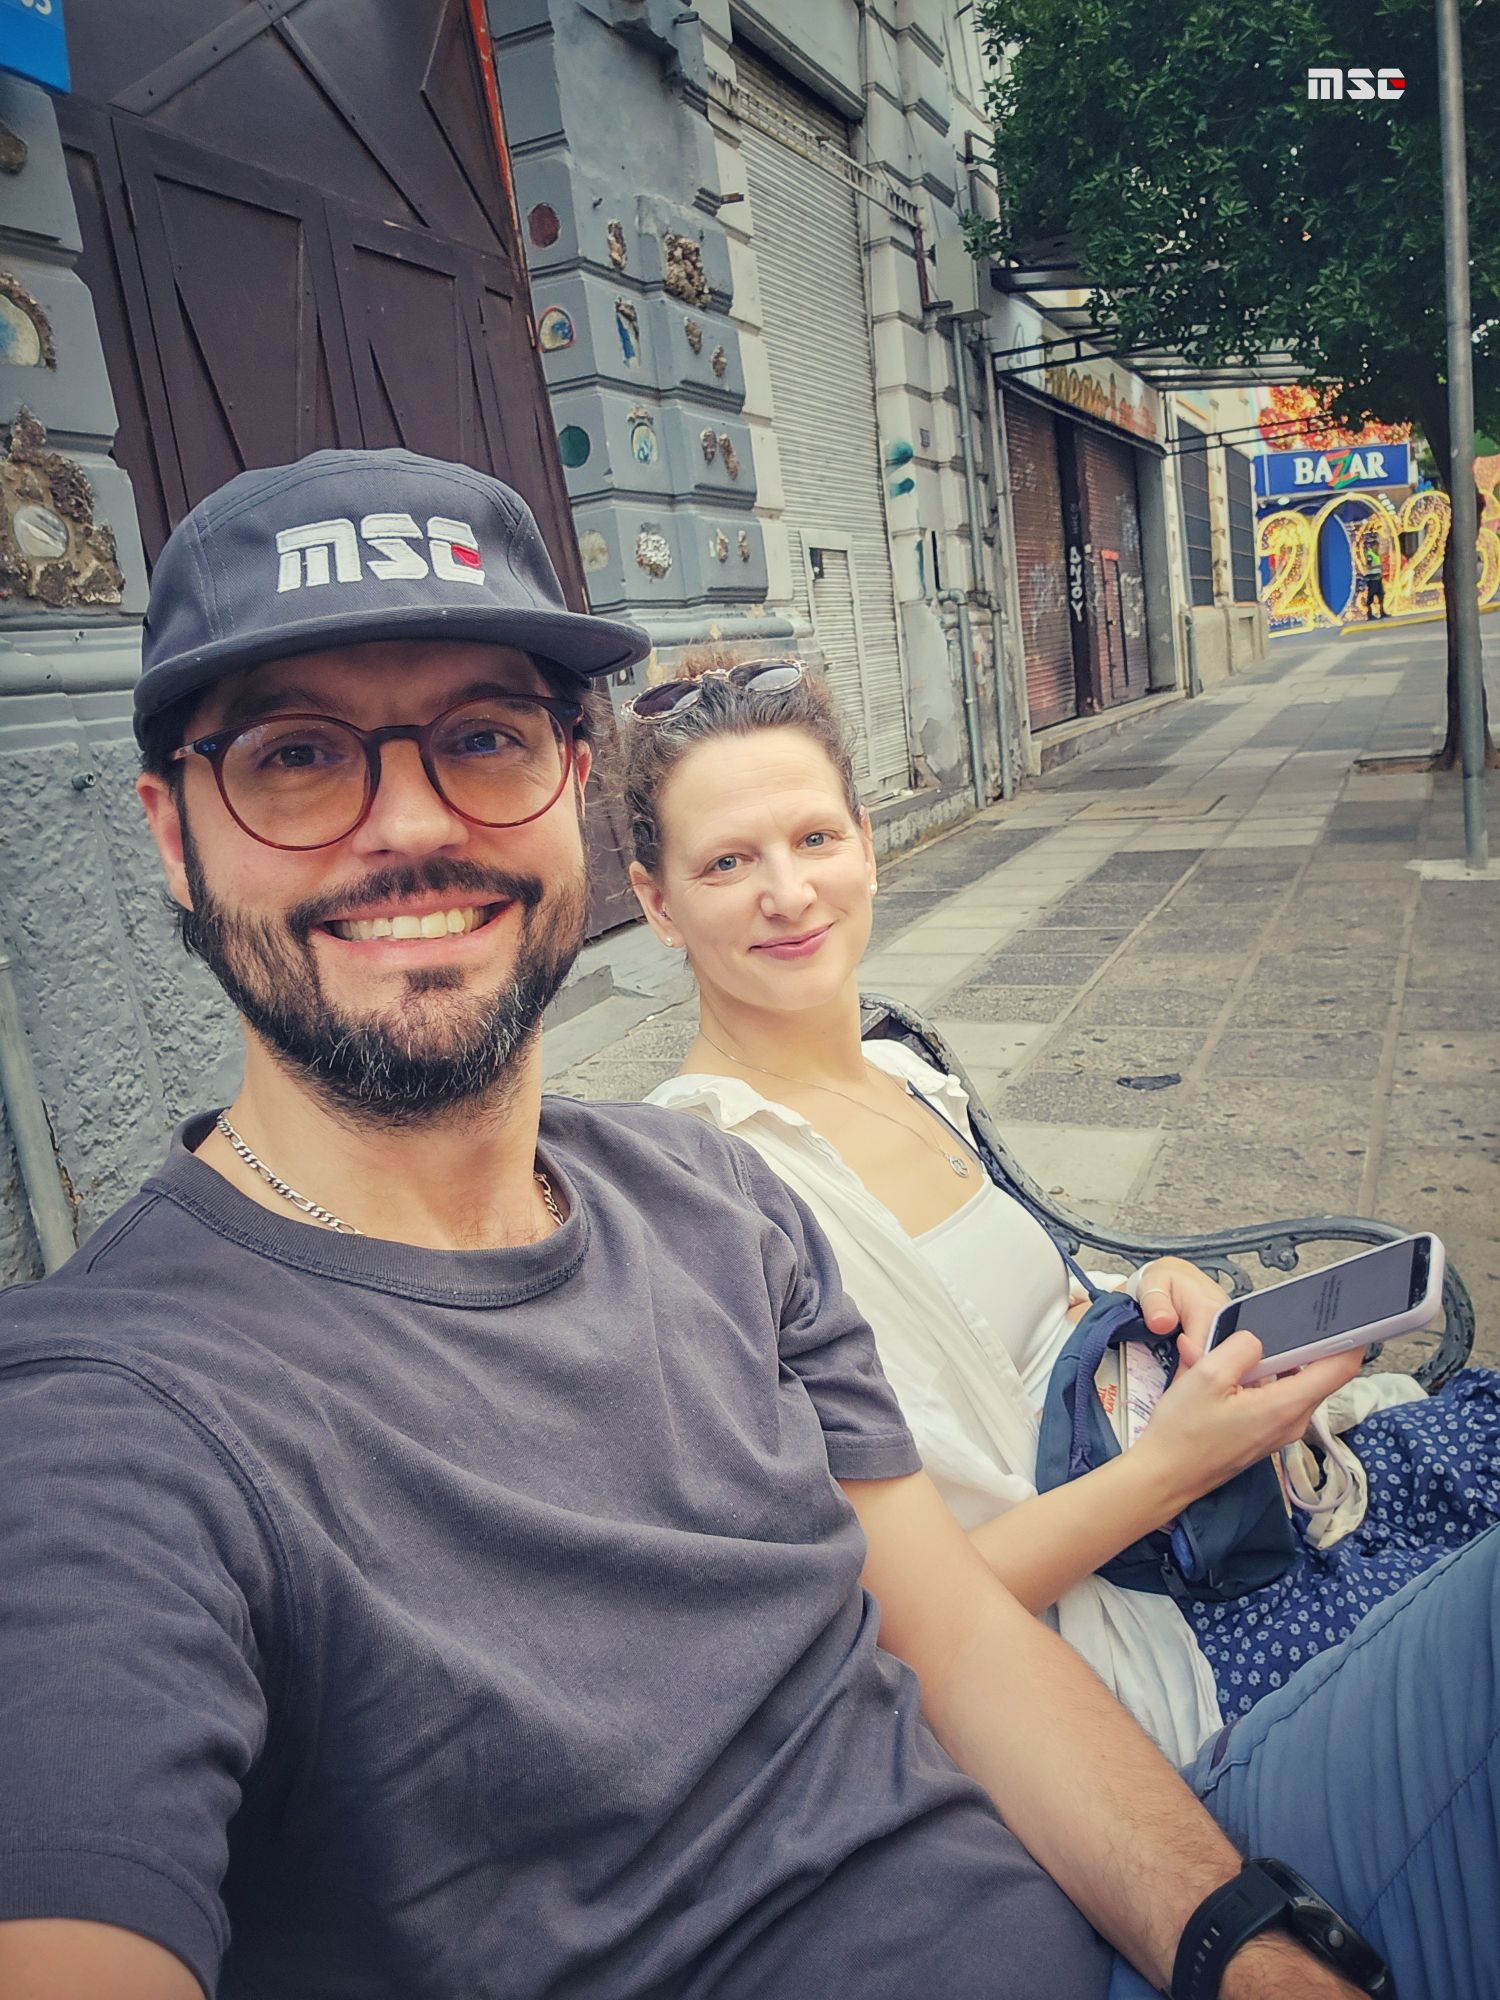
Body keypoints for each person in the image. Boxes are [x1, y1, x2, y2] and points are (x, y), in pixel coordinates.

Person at [0, 450, 1490, 2000]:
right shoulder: (99, 1425)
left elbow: (958, 1643)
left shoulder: (705, 1199)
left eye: (485, 737)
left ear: (570, 791)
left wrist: (1241, 1948)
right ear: (172, 833)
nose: (412, 824)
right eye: (297, 756)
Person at [632, 669, 1500, 1758]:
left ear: (866, 842)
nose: (789, 891)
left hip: (1209, 1507)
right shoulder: (707, 1191)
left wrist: (1148, 1294)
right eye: (726, 862)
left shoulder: (899, 1071)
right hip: (1145, 1642)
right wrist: (1174, 1467)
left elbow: (1028, 1324)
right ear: (656, 904)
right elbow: (896, 1624)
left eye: (814, 838)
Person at [1360, 541, 1387, 618]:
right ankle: (1369, 614)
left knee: (1381, 595)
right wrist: (1378, 566)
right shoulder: (1370, 555)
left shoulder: (1376, 554)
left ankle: (1382, 612)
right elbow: (1368, 567)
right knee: (1371, 596)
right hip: (1372, 579)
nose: (1378, 548)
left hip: (1378, 578)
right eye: (1377, 546)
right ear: (1373, 546)